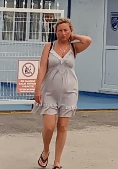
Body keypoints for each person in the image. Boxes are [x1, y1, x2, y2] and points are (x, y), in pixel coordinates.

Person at [33, 18, 92, 169]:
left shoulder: (74, 48)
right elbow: (42, 69)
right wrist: (37, 88)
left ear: (70, 31)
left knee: (63, 127)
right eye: (60, 30)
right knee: (49, 127)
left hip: (69, 92)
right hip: (49, 92)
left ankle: (57, 162)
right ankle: (46, 151)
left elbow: (88, 40)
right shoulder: (49, 46)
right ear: (56, 32)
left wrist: (75, 36)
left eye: (66, 30)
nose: (63, 33)